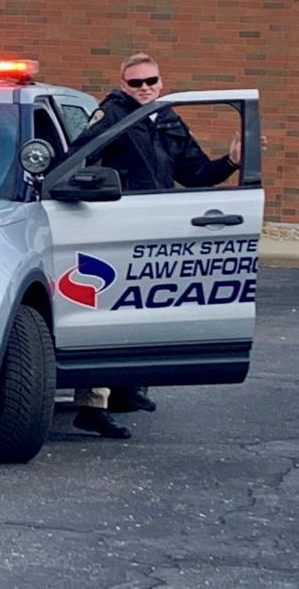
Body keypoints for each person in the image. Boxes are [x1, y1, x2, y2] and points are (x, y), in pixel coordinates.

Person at [70, 52, 243, 438]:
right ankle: (91, 405)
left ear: (162, 82)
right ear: (122, 85)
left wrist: (230, 162)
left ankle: (127, 388)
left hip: (152, 229)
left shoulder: (166, 118)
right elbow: (77, 162)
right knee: (108, 314)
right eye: (136, 83)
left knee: (140, 311)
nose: (145, 88)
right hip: (114, 227)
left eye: (151, 81)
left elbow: (195, 174)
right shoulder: (112, 115)